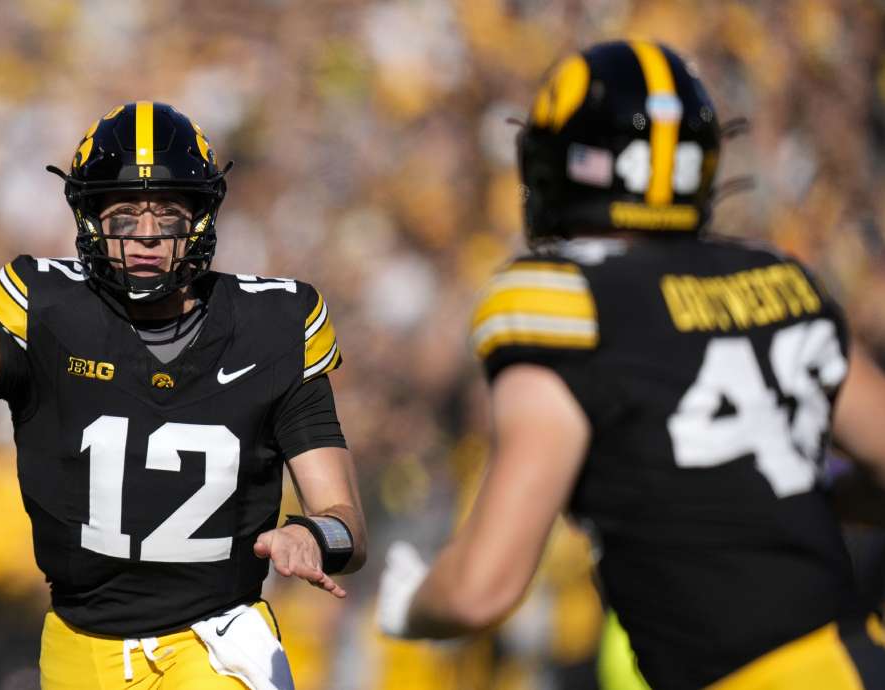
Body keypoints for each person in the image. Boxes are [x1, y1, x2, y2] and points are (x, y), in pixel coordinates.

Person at [0, 101, 366, 690]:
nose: (145, 236)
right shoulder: (51, 310)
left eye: (166, 213)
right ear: (89, 221)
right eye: (122, 216)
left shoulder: (274, 323)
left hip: (215, 641)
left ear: (200, 216)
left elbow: (347, 523)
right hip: (79, 646)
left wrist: (312, 534)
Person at [376, 40, 885, 689]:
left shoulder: (562, 301)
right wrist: (778, 502)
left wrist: (412, 605)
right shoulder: (776, 278)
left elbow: (482, 589)